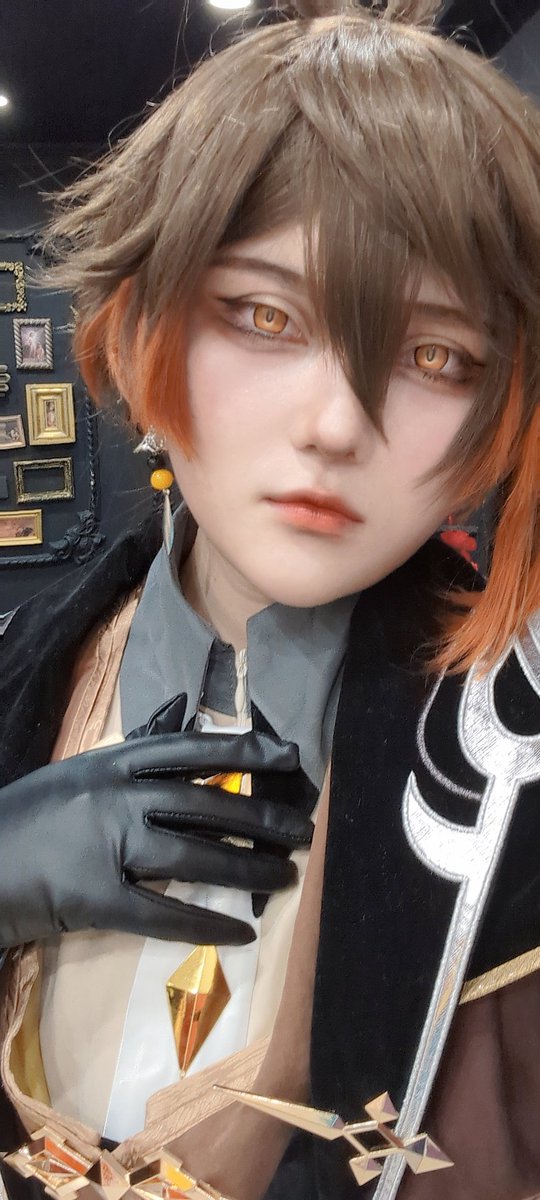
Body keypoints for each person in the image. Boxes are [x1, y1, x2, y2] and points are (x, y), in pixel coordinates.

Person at [0, 1, 539, 1198]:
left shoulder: (519, 761)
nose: (338, 424)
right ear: (139, 326)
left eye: (435, 355)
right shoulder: (29, 664)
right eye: (265, 315)